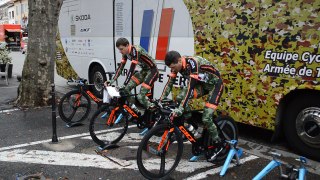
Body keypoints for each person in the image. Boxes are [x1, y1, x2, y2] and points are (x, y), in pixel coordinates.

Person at [160, 50, 224, 161]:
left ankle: (220, 144)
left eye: (173, 67)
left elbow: (190, 88)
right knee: (180, 97)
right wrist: (161, 99)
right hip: (203, 85)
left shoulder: (192, 63)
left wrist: (180, 109)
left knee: (206, 117)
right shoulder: (177, 66)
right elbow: (170, 83)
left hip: (215, 85)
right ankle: (191, 125)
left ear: (179, 61)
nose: (173, 70)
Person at [106, 38, 159, 111]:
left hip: (152, 71)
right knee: (125, 90)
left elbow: (132, 69)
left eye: (121, 49)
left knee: (140, 96)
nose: (120, 51)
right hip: (144, 70)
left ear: (127, 45)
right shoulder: (125, 53)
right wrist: (111, 81)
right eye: (119, 49)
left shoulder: (135, 50)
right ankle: (135, 111)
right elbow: (120, 68)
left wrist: (125, 83)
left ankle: (154, 110)